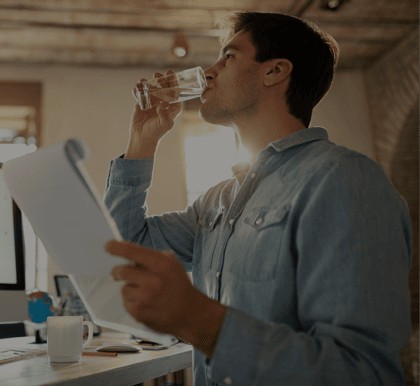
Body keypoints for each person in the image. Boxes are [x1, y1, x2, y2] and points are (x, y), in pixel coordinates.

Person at [102, 11, 413, 386]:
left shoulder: (345, 180)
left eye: (228, 56)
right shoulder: (217, 201)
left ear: (275, 71)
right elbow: (122, 248)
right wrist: (142, 141)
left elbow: (362, 373)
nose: (209, 71)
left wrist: (197, 317)